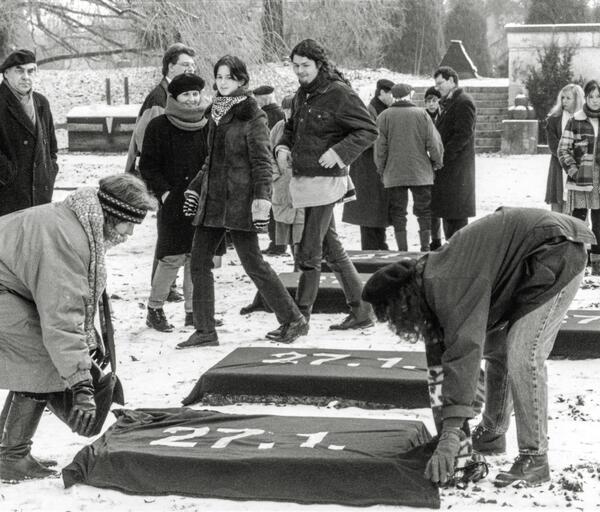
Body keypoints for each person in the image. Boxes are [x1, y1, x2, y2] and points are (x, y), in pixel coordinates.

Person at [362, 207, 594, 488]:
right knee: (498, 348)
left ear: (402, 302)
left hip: (556, 251)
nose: (398, 324)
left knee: (524, 354)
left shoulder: (447, 284)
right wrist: (454, 435)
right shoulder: (429, 284)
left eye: (394, 316)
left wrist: (450, 434)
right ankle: (493, 432)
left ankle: (535, 458)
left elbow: (465, 351)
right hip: (533, 257)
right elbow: (441, 366)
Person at [0, 174, 156, 481]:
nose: (130, 232)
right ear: (113, 214)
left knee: (44, 357)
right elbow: (62, 316)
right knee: (42, 359)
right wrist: (82, 385)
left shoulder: (76, 222)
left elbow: (72, 300)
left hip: (10, 287)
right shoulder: (68, 239)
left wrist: (89, 339)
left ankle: (7, 451)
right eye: (129, 223)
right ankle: (10, 457)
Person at [180, 55, 308, 348]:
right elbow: (212, 160)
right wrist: (195, 188)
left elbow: (263, 161)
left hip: (240, 201)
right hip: (213, 201)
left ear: (241, 80)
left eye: (229, 77)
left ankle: (293, 320)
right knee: (199, 262)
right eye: (219, 77)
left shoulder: (252, 113)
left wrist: (262, 199)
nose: (223, 82)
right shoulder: (214, 112)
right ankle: (205, 330)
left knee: (254, 264)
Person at [275, 39, 378, 330]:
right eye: (295, 66)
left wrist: (339, 152)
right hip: (305, 180)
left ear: (319, 64)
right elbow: (291, 129)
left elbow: (369, 129)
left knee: (309, 252)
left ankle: (299, 318)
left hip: (327, 181)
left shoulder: (339, 93)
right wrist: (282, 147)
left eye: (305, 65)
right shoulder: (301, 95)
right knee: (330, 249)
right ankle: (361, 311)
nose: (299, 71)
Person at [126, 43, 197, 304]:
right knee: (167, 237)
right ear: (170, 67)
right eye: (185, 65)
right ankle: (162, 290)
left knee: (174, 236)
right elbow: (147, 142)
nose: (190, 69)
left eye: (192, 66)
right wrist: (162, 186)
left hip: (177, 180)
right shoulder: (159, 98)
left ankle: (170, 287)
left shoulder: (178, 94)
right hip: (166, 180)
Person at [140, 74, 210, 332]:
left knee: (196, 257)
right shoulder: (159, 125)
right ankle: (155, 309)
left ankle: (193, 312)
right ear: (175, 97)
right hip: (173, 202)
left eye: (195, 94)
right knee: (171, 257)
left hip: (201, 202)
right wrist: (165, 193)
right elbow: (148, 165)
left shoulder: (207, 124)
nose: (192, 100)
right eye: (186, 95)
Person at [374, 83, 444, 252]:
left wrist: (381, 169)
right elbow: (434, 143)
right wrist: (437, 162)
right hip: (420, 172)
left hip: (394, 172)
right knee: (424, 211)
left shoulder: (384, 116)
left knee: (398, 213)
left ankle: (403, 250)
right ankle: (425, 247)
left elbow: (380, 148)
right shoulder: (422, 115)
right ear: (410, 95)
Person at [0, 49, 58, 217]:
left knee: (36, 242)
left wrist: (50, 172)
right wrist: (8, 175)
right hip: (8, 195)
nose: (26, 76)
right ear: (6, 74)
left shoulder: (41, 102)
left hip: (40, 194)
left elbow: (51, 148)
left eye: (31, 71)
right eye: (19, 70)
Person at [342, 78, 394, 250]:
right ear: (382, 93)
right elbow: (366, 137)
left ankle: (379, 246)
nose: (393, 97)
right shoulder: (370, 110)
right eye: (391, 93)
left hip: (374, 169)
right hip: (367, 169)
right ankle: (372, 249)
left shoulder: (381, 109)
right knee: (370, 214)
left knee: (376, 213)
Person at [430, 66, 476, 250]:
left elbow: (463, 135)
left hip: (456, 170)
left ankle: (458, 255)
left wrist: (443, 157)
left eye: (440, 83)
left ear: (451, 81)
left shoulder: (463, 102)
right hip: (450, 170)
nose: (437, 87)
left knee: (455, 218)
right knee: (449, 214)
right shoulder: (450, 102)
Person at [558, 80, 600, 274]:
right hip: (581, 178)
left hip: (599, 179)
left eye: (598, 96)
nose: (595, 100)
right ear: (586, 97)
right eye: (591, 96)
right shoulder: (575, 120)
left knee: (599, 222)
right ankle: (577, 267)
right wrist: (574, 171)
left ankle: (598, 267)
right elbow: (563, 149)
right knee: (579, 221)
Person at [253, 84, 287, 256]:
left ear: (263, 98)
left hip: (270, 164)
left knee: (274, 207)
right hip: (281, 165)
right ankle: (279, 243)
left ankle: (278, 244)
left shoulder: (263, 116)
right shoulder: (282, 114)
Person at [545, 84, 584, 213]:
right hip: (558, 166)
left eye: (568, 98)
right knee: (557, 207)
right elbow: (553, 145)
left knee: (575, 209)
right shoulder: (554, 119)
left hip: (579, 167)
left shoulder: (585, 119)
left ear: (577, 100)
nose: (564, 101)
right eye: (562, 98)